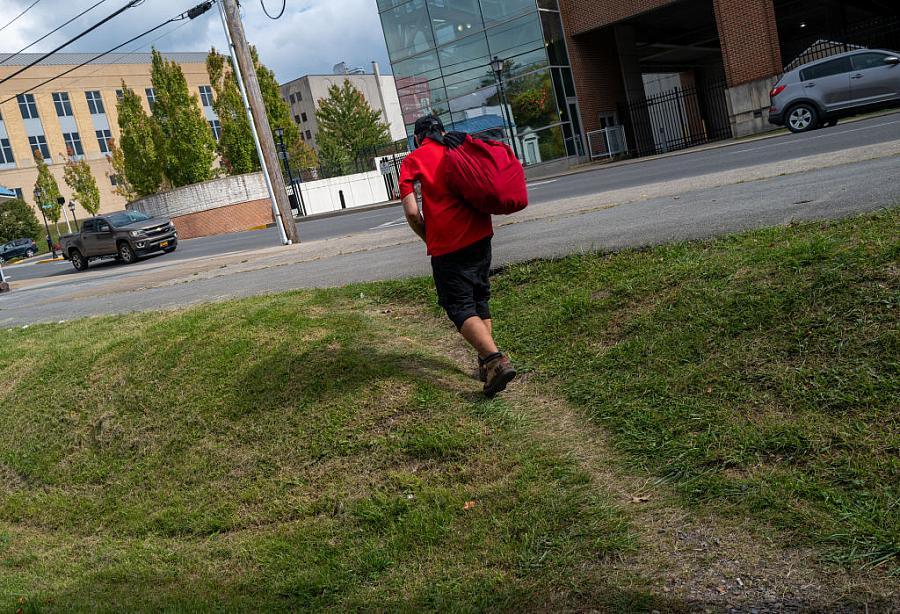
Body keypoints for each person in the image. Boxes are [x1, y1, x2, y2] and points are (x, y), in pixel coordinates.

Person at [399, 115, 517, 396]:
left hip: (448, 246)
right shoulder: (460, 146)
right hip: (481, 237)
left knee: (459, 306)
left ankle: (494, 360)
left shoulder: (413, 160)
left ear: (418, 138)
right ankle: (484, 365)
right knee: (479, 299)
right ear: (442, 131)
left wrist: (429, 237)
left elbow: (413, 213)